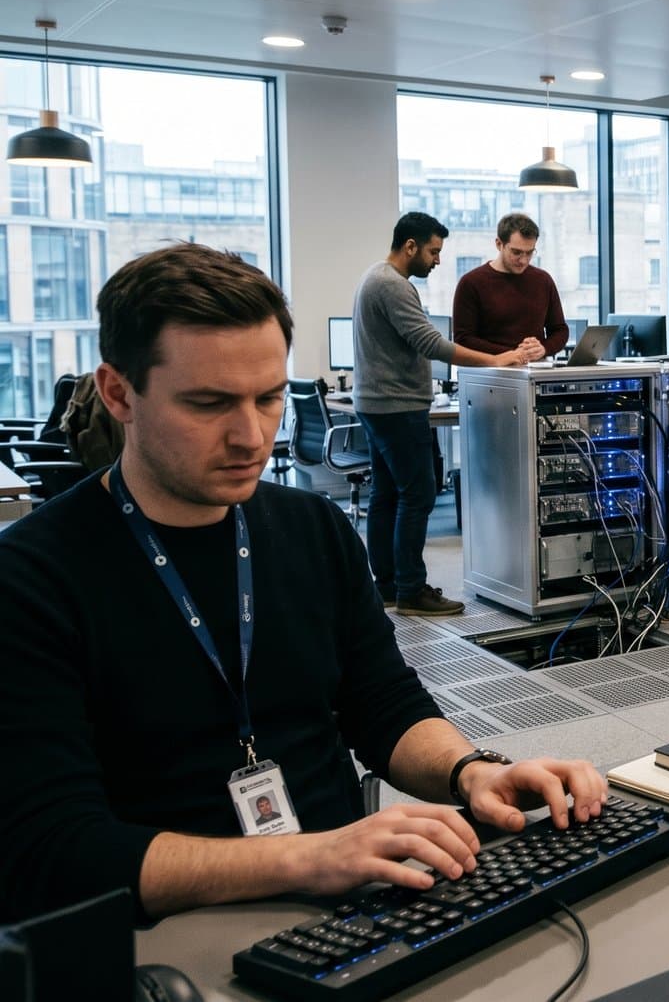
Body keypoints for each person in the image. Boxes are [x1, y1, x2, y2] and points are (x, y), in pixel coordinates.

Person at [0, 244, 606, 923]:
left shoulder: (311, 528)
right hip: (168, 935)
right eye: (209, 404)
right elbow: (51, 853)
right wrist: (309, 856)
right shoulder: (31, 577)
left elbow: (381, 704)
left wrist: (474, 771)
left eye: (269, 397)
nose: (251, 435)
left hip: (347, 904)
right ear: (119, 394)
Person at [355, 212, 543, 616]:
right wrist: (497, 359)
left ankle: (387, 586)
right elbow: (432, 344)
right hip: (398, 406)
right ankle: (411, 590)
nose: (437, 260)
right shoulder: (393, 286)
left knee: (386, 495)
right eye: (434, 251)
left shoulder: (375, 277)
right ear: (411, 246)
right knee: (417, 495)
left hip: (376, 404)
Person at [451, 212, 566, 360]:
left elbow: (560, 330)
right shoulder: (471, 283)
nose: (524, 260)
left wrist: (544, 348)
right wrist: (513, 354)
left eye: (529, 253)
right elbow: (463, 339)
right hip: (490, 373)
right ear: (499, 244)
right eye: (516, 252)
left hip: (535, 370)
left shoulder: (543, 280)